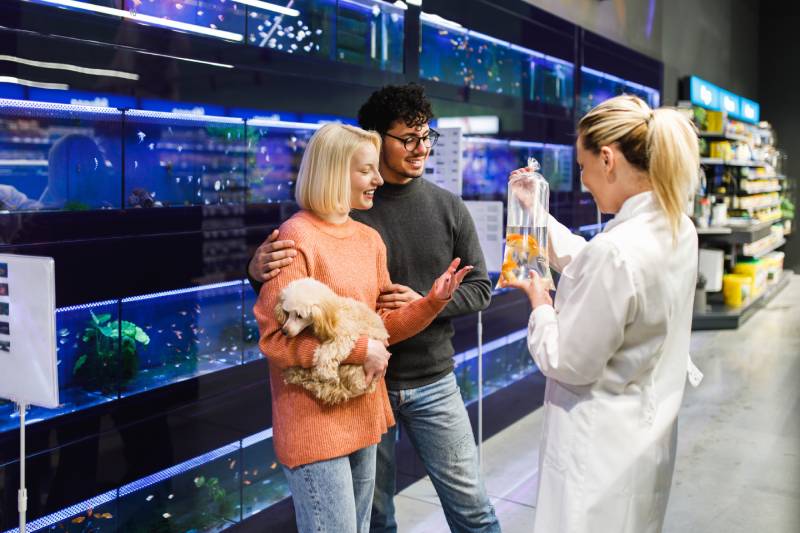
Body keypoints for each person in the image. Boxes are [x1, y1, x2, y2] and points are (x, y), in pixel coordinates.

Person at [248, 84, 501, 533]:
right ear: (375, 140)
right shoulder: (319, 224)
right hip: (345, 398)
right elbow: (286, 316)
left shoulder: (432, 213)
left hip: (416, 383)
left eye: (427, 137)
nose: (421, 148)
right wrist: (255, 270)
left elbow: (471, 290)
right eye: (408, 138)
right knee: (377, 520)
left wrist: (431, 302)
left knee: (469, 506)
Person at [501, 95, 700, 533]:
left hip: (596, 456)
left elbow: (567, 361)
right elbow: (597, 267)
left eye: (583, 165)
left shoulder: (618, 250)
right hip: (641, 441)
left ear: (607, 159)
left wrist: (539, 300)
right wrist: (537, 215)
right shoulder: (677, 228)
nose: (584, 180)